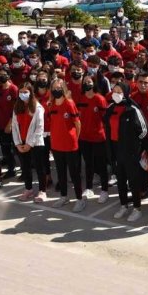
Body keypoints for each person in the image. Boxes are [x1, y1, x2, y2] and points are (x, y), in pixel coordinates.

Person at [106, 81, 148, 222]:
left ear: (125, 93)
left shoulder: (133, 109)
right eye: (114, 91)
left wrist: (134, 144)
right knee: (120, 180)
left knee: (133, 181)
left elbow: (144, 131)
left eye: (119, 92)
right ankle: (123, 205)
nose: (116, 94)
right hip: (116, 150)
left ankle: (137, 208)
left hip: (131, 152)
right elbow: (107, 128)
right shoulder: (110, 108)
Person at [47, 78, 86, 212]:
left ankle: (79, 199)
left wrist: (75, 138)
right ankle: (63, 196)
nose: (56, 90)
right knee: (61, 172)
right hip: (56, 145)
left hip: (70, 145)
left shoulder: (69, 103)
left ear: (63, 88)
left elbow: (77, 123)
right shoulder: (51, 104)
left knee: (74, 173)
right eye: (54, 88)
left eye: (59, 88)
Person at [11, 83, 48, 202]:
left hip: (35, 143)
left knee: (39, 167)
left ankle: (42, 191)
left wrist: (29, 144)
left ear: (31, 93)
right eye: (21, 92)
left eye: (25, 92)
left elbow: (39, 128)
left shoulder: (38, 107)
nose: (23, 94)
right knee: (25, 167)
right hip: (21, 142)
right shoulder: (17, 107)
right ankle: (28, 189)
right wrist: (17, 143)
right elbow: (14, 126)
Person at [78, 75, 110, 203]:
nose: (87, 83)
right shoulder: (81, 98)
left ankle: (104, 190)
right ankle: (89, 188)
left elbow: (105, 119)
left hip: (98, 137)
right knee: (88, 164)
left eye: (89, 81)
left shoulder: (100, 99)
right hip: (84, 137)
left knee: (101, 164)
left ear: (94, 83)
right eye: (85, 82)